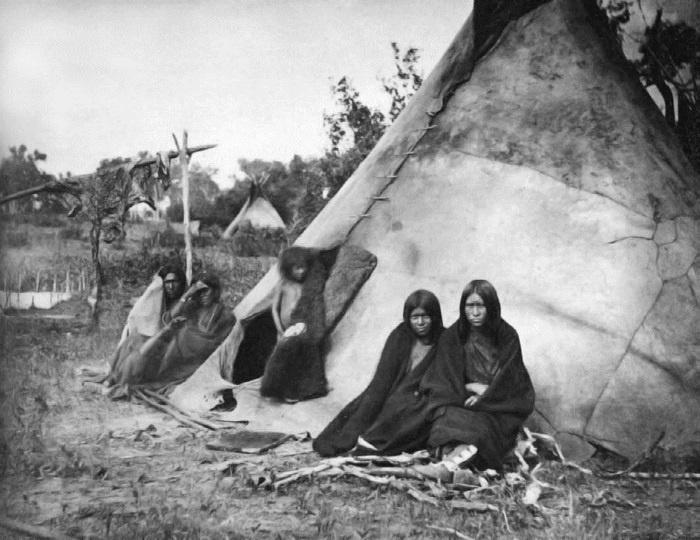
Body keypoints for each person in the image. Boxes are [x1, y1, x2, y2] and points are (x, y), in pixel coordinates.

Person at [417, 280, 535, 478]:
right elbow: (443, 379)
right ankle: (452, 464)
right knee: (446, 420)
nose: (475, 312)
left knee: (481, 431)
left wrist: (486, 394)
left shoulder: (507, 336)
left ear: (491, 306)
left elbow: (513, 382)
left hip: (497, 408)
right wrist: (471, 387)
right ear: (463, 308)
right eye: (470, 306)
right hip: (462, 401)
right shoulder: (453, 336)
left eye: (480, 305)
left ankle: (449, 467)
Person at [313, 290, 445, 457]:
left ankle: (376, 442)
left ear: (434, 316)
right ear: (408, 318)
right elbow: (382, 379)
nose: (420, 322)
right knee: (368, 405)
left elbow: (442, 378)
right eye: (415, 317)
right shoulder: (401, 335)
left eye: (425, 317)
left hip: (420, 399)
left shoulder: (444, 340)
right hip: (391, 390)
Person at [105, 263, 186, 388]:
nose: (170, 286)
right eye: (167, 282)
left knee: (141, 348)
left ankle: (120, 378)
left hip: (171, 350)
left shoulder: (184, 302)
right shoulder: (160, 301)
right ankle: (115, 375)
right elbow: (139, 315)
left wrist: (186, 296)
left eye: (175, 282)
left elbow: (170, 320)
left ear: (182, 283)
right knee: (134, 339)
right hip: (157, 341)